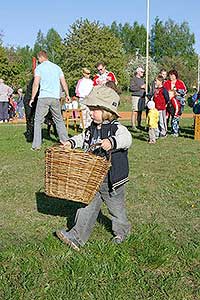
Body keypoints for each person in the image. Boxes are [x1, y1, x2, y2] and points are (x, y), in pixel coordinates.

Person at [56, 85, 132, 251]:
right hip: (93, 177)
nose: (90, 113)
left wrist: (112, 142)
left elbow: (127, 139)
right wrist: (71, 142)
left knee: (116, 210)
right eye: (90, 109)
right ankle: (76, 237)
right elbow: (83, 138)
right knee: (86, 205)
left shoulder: (116, 128)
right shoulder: (91, 127)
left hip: (113, 179)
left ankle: (122, 231)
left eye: (94, 109)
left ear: (106, 110)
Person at [29, 50, 70, 150]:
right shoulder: (57, 68)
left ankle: (36, 145)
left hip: (43, 97)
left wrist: (32, 98)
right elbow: (63, 82)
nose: (38, 60)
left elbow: (36, 84)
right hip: (55, 98)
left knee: (38, 121)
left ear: (41, 57)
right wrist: (67, 94)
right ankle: (66, 142)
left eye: (38, 59)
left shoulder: (39, 68)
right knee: (59, 120)